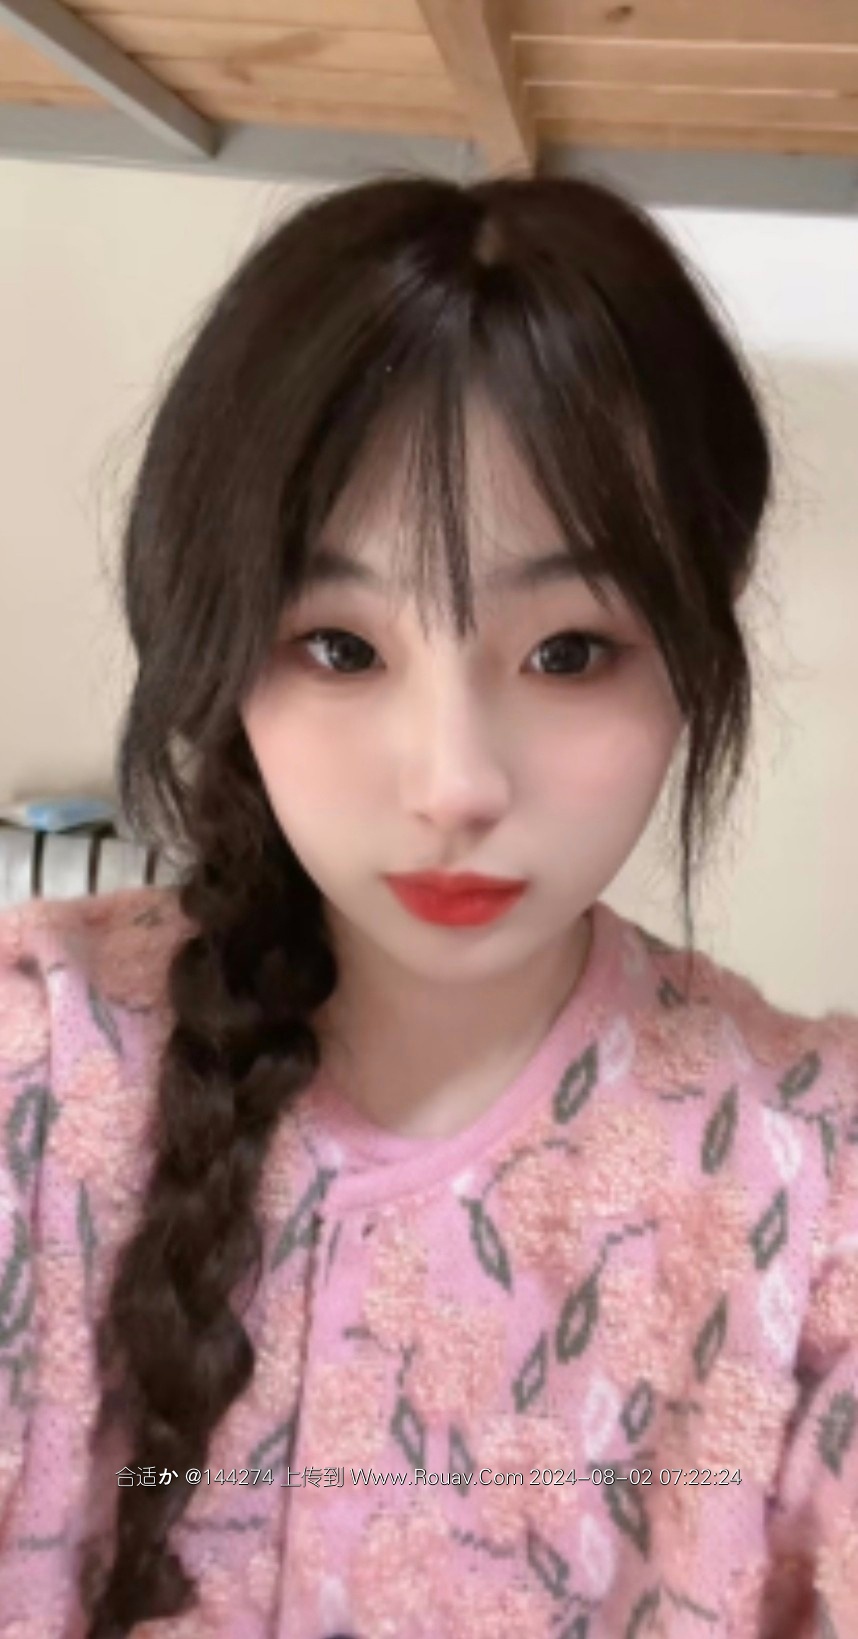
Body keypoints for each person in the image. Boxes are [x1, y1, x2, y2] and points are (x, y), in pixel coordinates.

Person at [0, 172, 855, 1639]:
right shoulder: (40, 1075)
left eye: (569, 650)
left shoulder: (808, 1180)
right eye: (340, 647)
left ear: (693, 650)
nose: (455, 782)